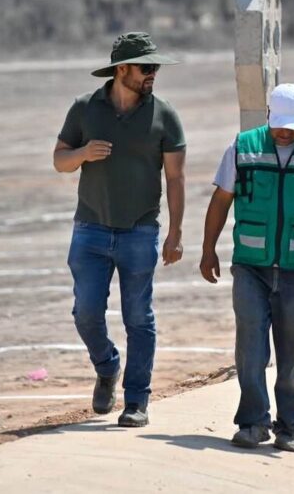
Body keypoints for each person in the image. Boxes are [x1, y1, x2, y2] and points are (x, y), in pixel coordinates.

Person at [199, 83, 294, 453]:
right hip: (250, 266)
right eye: (278, 124)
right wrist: (208, 249)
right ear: (268, 115)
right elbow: (221, 199)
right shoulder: (243, 147)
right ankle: (253, 423)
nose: (284, 132)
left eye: (291, 127)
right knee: (250, 346)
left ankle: (290, 426)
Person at [52, 32, 187, 428]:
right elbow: (59, 160)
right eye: (146, 67)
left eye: (155, 67)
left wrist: (176, 232)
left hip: (140, 231)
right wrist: (82, 153)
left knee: (139, 318)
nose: (153, 73)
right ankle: (107, 365)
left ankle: (136, 401)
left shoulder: (164, 115)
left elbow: (175, 178)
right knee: (86, 313)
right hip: (90, 230)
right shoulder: (84, 108)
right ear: (122, 69)